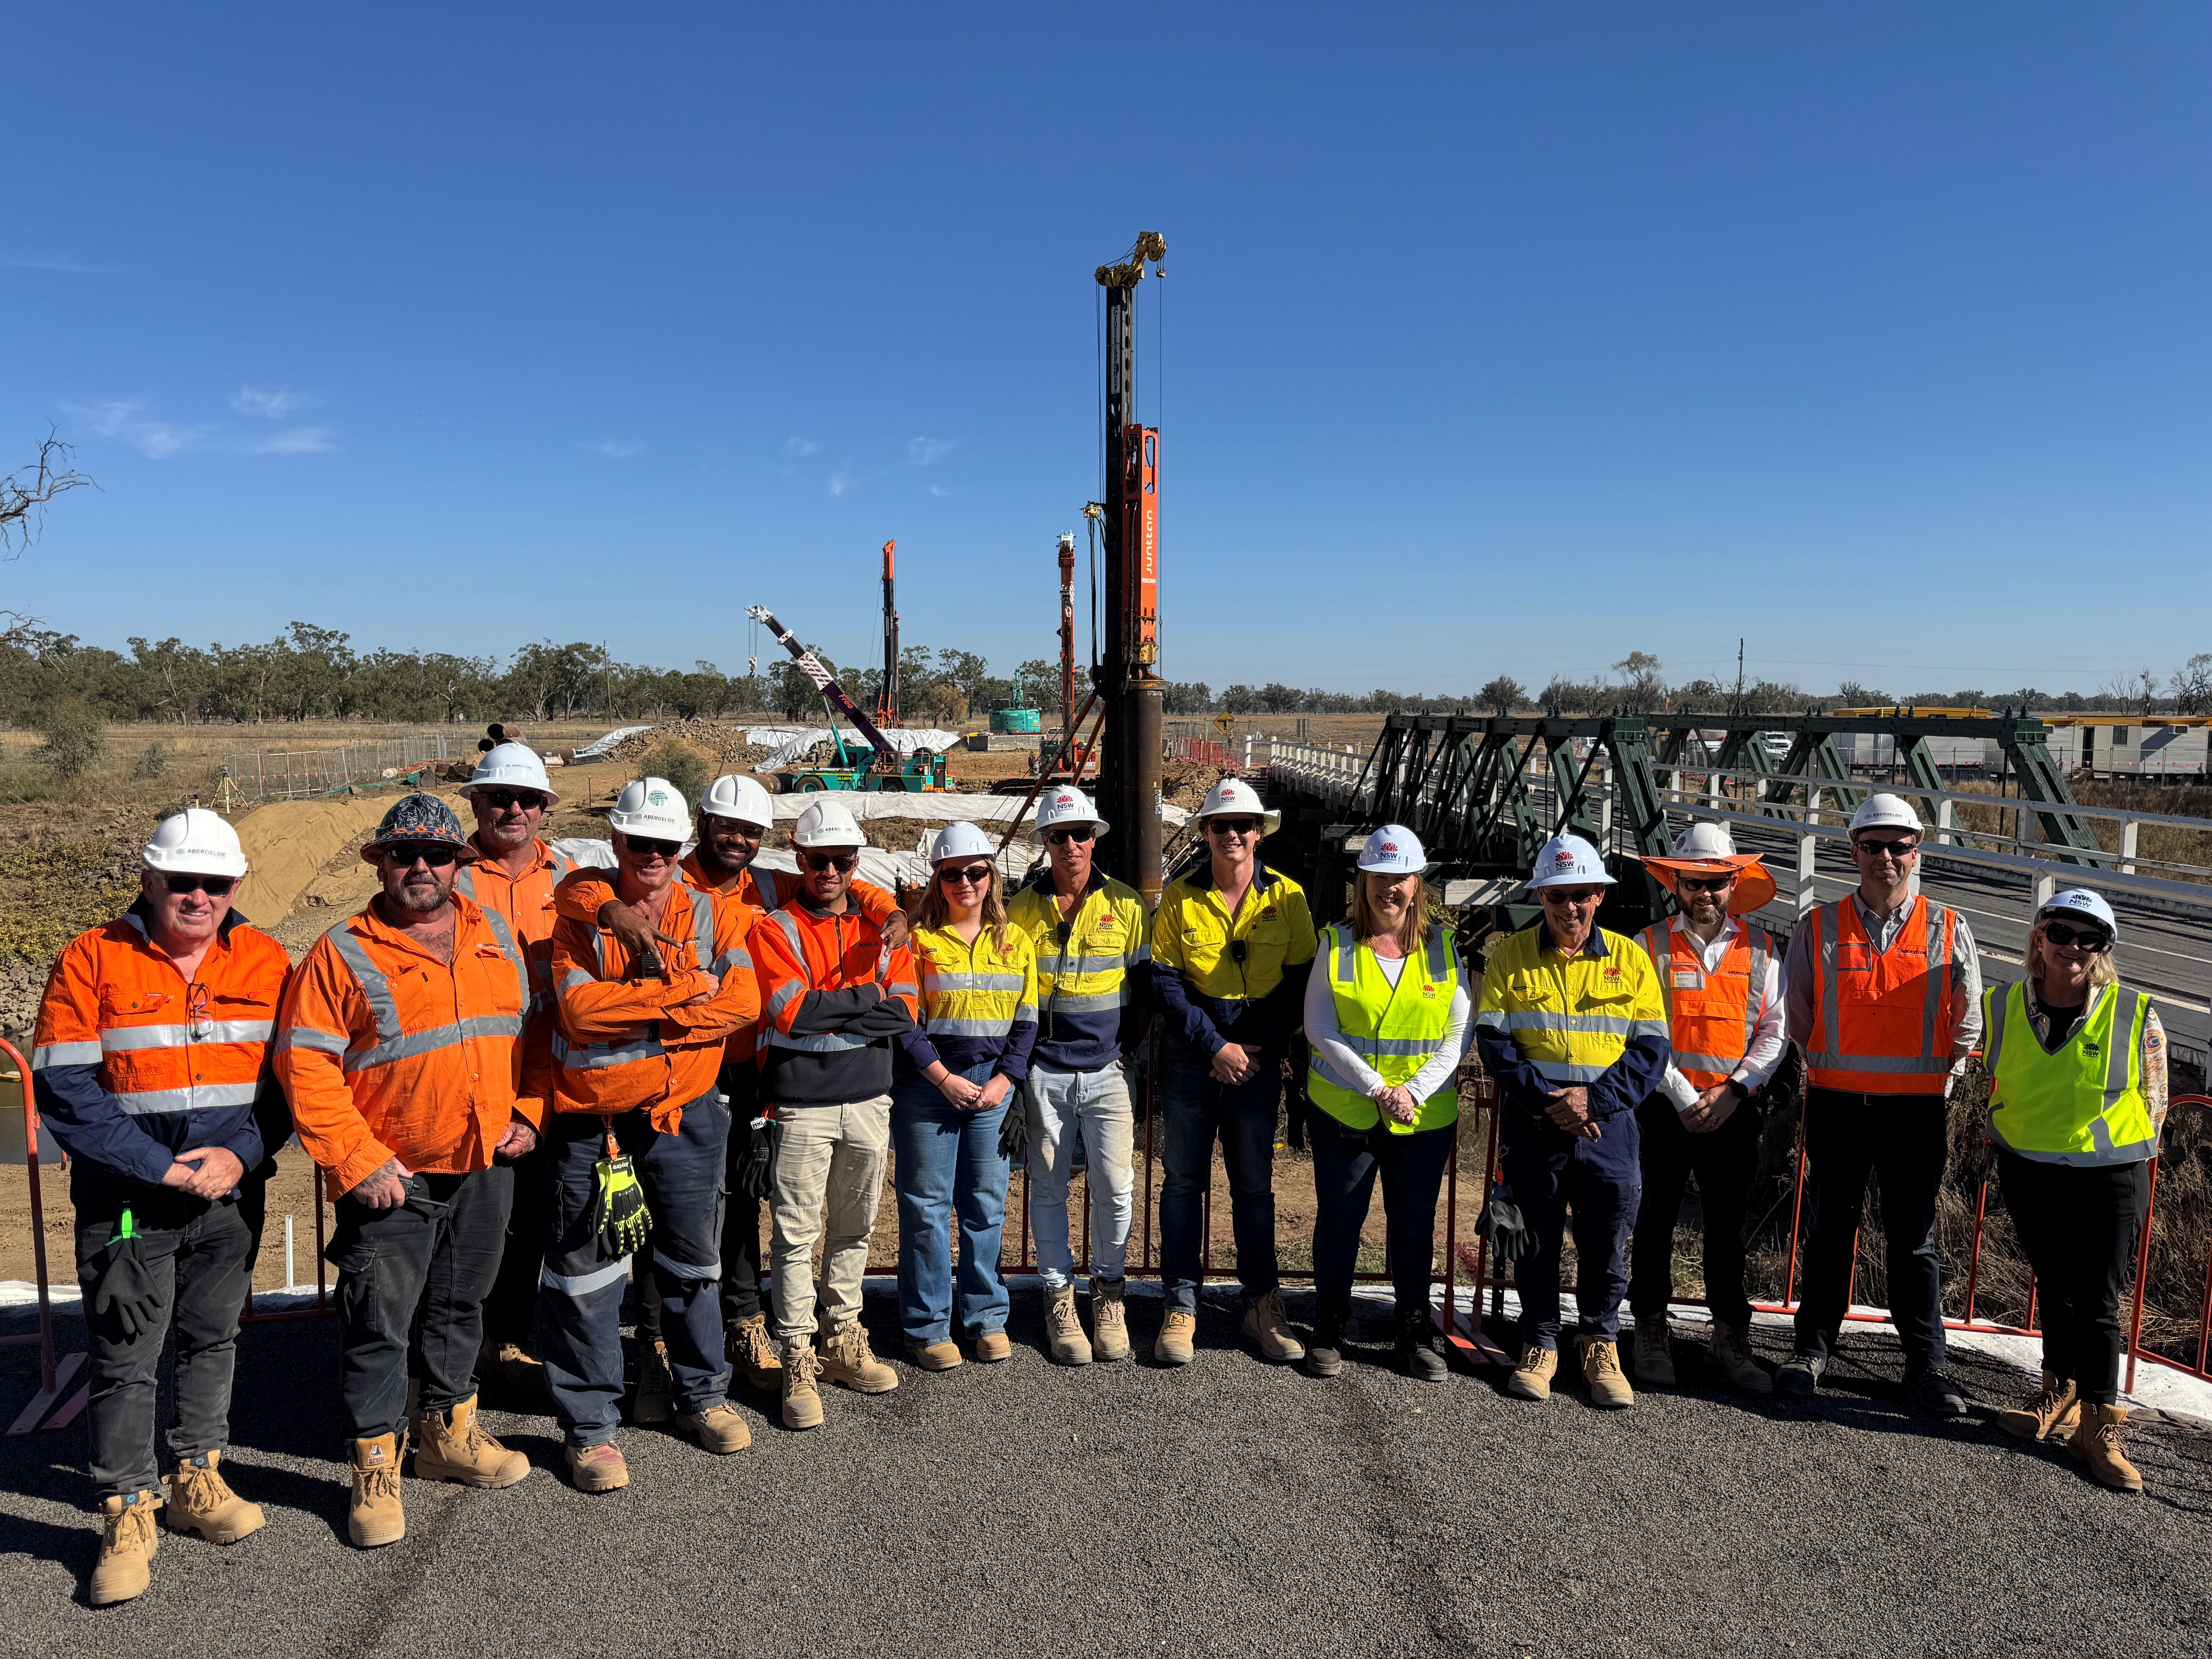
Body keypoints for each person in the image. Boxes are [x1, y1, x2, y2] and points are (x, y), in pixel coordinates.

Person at [557, 771, 909, 1410]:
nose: (740, 840)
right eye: (729, 827)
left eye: (752, 830)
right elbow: (577, 890)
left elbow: (843, 882)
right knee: (667, 1208)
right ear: (702, 824)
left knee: (740, 1200)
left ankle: (744, 1325)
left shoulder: (767, 884)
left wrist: (891, 911)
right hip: (676, 1065)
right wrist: (611, 913)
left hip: (746, 1067)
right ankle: (659, 1343)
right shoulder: (665, 874)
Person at [32, 809, 290, 1605]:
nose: (199, 896)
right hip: (129, 1202)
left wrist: (241, 1155)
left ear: (237, 886)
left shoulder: (267, 958)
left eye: (216, 884)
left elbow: (292, 1082)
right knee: (125, 1357)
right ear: (148, 878)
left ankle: (197, 1479)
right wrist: (162, 1170)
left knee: (213, 1340)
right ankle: (125, 1508)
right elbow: (64, 1088)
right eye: (183, 881)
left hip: (228, 1193)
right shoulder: (93, 958)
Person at [275, 794, 543, 1547]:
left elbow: (528, 1035)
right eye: (403, 855)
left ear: (461, 864)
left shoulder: (491, 935)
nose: (420, 867)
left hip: (484, 1163)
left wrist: (529, 1109)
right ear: (381, 864)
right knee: (380, 1326)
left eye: (435, 854)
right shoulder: (343, 951)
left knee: (463, 1308)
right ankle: (375, 1464)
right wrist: (359, 1163)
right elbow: (306, 1067)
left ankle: (448, 1435)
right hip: (394, 1178)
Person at [539, 778, 759, 1491]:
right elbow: (577, 1013)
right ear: (618, 843)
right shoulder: (582, 911)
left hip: (686, 1115)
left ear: (681, 846)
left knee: (693, 1265)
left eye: (666, 846)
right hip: (595, 1125)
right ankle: (593, 1431)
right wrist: (677, 999)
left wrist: (646, 1010)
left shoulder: (714, 915)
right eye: (641, 844)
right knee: (588, 1276)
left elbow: (743, 1002)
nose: (653, 856)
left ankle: (704, 1395)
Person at [1779, 793, 1981, 1415]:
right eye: (1873, 846)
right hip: (1839, 1104)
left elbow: (1969, 1021)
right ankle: (1812, 1351)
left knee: (1914, 1243)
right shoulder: (1818, 927)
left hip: (1916, 1113)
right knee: (1829, 1233)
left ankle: (1927, 1368)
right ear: (1854, 852)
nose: (1886, 858)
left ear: (1917, 853)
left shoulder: (1948, 927)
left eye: (1899, 847)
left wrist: (1946, 1078)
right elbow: (1799, 1015)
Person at [1474, 833, 1668, 1409]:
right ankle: (1540, 1342)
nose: (1569, 908)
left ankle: (1599, 1340)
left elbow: (1652, 1049)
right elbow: (1493, 1042)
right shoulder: (1510, 956)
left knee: (1607, 1239)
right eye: (1557, 897)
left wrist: (1594, 1101)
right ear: (1542, 898)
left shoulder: (1630, 959)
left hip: (1610, 1128)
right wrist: (1551, 1101)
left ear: (1599, 897)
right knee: (1535, 1239)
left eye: (1580, 895)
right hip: (1537, 1126)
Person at [1986, 888, 2168, 1492]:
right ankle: (2056, 1391)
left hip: (2110, 1174)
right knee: (2057, 1287)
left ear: (2103, 950)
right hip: (2029, 1166)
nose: (2073, 947)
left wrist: (2134, 1162)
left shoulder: (2136, 1011)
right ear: (2038, 936)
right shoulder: (2001, 1004)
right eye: (2061, 932)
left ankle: (2099, 1424)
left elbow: (2157, 1100)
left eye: (2088, 938)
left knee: (2098, 1300)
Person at [750, 796, 920, 1429]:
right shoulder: (775, 929)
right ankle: (796, 1352)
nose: (830, 871)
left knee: (854, 1228)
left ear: (857, 861)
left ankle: (842, 1335)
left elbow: (904, 1011)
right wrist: (868, 996)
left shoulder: (883, 928)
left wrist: (844, 1003)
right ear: (799, 857)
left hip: (870, 1097)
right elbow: (791, 1012)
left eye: (842, 860)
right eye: (818, 859)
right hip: (801, 1104)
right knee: (795, 1234)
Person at [1150, 776, 1318, 1367]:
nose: (1233, 835)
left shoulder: (1289, 898)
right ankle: (1180, 1304)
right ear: (1205, 833)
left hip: (1258, 1053)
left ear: (1260, 832)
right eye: (1222, 826)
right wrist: (1215, 1046)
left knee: (1253, 1187)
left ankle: (1261, 1304)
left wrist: (1249, 1048)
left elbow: (1300, 979)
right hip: (1194, 1053)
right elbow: (1166, 981)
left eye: (1244, 825)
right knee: (1182, 1183)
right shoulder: (1179, 898)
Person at [1302, 824, 1470, 1382]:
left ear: (1417, 884)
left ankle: (1414, 1328)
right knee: (1340, 1222)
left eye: (1399, 878)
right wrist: (1378, 1087)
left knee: (1413, 1227)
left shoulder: (1445, 949)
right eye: (1379, 877)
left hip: (1422, 1116)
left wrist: (1414, 1092)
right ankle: (1330, 1324)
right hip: (1347, 1110)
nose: (1389, 889)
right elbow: (1321, 1026)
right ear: (1363, 881)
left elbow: (1457, 1034)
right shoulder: (1337, 942)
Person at [1626, 821, 1785, 1395]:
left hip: (1732, 1111)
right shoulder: (1649, 945)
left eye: (1716, 884)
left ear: (1732, 884)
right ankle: (1649, 1328)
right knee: (1655, 1223)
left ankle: (1729, 1338)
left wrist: (1733, 1090)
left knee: (1726, 1230)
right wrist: (1687, 1097)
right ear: (1677, 884)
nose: (1706, 895)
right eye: (1694, 883)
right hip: (1664, 1108)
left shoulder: (1762, 949)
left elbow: (1774, 1031)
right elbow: (1642, 1031)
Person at [1006, 786, 1148, 1365]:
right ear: (1045, 842)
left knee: (1116, 1188)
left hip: (1107, 1071)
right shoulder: (1020, 911)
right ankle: (1059, 1296)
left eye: (1081, 835)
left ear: (1095, 839)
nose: (1071, 846)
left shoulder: (1128, 905)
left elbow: (1142, 994)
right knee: (1048, 1188)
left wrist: (1123, 1055)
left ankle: (1108, 1293)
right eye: (1059, 836)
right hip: (1046, 1073)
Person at [893, 822, 1037, 1368]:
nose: (965, 883)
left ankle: (986, 1318)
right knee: (926, 1209)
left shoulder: (1014, 941)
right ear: (938, 879)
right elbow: (906, 1022)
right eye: (952, 874)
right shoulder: (920, 940)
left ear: (991, 876)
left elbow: (1027, 1022)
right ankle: (928, 1327)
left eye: (975, 872)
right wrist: (941, 1078)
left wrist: (1005, 1081)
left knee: (985, 1206)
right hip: (929, 1084)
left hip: (991, 1082)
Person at [454, 742, 572, 1395]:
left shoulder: (572, 876)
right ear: (476, 802)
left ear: (544, 810)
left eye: (527, 799)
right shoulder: (450, 875)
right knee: (476, 1225)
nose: (514, 809)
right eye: (500, 797)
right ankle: (455, 1351)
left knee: (533, 1216)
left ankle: (507, 1338)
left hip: (554, 1072)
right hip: (478, 1072)